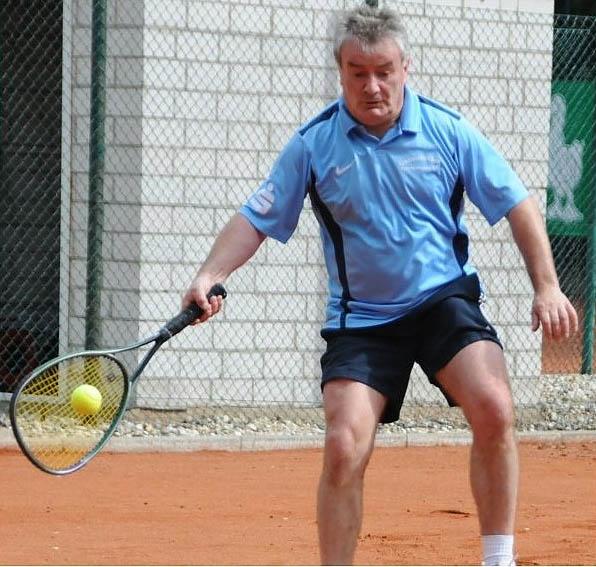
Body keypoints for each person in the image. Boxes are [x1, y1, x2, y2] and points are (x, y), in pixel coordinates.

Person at [182, 5, 578, 566]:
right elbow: (256, 219)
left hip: (442, 300)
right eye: (358, 72)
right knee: (344, 445)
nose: (372, 86)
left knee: (494, 406)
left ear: (405, 68)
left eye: (384, 71)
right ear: (340, 71)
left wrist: (547, 286)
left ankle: (498, 559)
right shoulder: (313, 144)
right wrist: (210, 275)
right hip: (363, 318)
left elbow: (517, 202)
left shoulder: (446, 130)